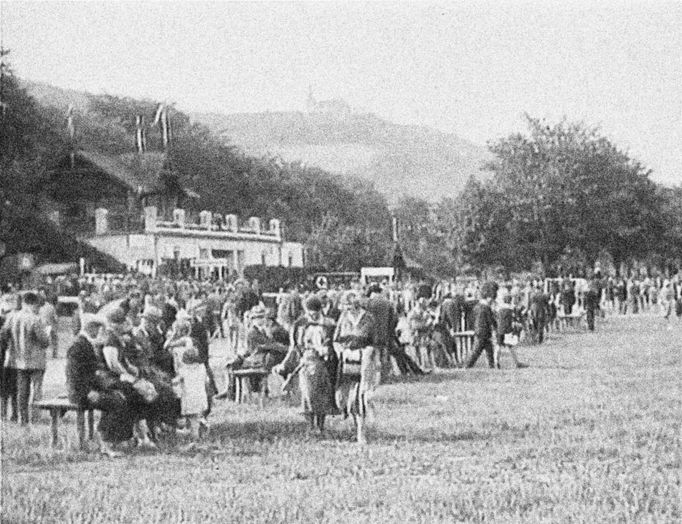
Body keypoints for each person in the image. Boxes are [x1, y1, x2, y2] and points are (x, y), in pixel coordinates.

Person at [65, 313, 135, 458]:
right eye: (97, 328)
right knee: (115, 402)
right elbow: (74, 375)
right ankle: (106, 444)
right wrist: (88, 392)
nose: (98, 332)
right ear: (91, 328)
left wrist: (107, 387)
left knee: (120, 396)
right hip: (80, 393)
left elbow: (91, 374)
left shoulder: (85, 343)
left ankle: (115, 440)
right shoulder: (78, 345)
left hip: (87, 389)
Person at [274, 296, 338, 433]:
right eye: (310, 312)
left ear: (321, 310)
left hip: (324, 364)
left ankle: (321, 425)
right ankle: (310, 426)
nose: (312, 315)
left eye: (315, 312)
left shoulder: (330, 324)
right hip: (305, 362)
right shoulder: (300, 324)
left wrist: (328, 351)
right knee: (307, 394)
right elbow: (294, 347)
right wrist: (284, 364)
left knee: (322, 394)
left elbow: (335, 343)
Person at [333, 291, 381, 444]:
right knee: (345, 398)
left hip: (364, 362)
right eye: (345, 308)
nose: (347, 310)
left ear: (356, 306)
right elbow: (336, 340)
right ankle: (354, 424)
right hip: (346, 362)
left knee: (360, 397)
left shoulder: (369, 319)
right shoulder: (343, 318)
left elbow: (375, 342)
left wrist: (369, 353)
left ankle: (361, 431)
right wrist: (341, 351)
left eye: (349, 307)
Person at [1, 291, 50, 425]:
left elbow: (4, 336)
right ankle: (35, 417)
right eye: (37, 306)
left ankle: (23, 418)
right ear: (32, 304)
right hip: (36, 361)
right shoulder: (35, 319)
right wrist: (47, 334)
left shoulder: (12, 318)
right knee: (36, 390)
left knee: (21, 392)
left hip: (17, 360)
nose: (38, 308)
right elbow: (44, 341)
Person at [165, 312, 208, 444]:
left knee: (187, 408)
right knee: (196, 413)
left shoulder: (184, 341)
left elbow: (166, 346)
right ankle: (197, 425)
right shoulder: (200, 365)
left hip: (184, 374)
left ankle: (192, 432)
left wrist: (171, 336)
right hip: (197, 385)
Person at [465, 281, 498, 369]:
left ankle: (491, 366)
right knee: (476, 351)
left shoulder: (477, 307)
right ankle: (467, 366)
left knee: (489, 350)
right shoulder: (486, 308)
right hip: (483, 332)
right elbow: (491, 320)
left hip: (479, 331)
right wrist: (495, 328)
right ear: (488, 297)